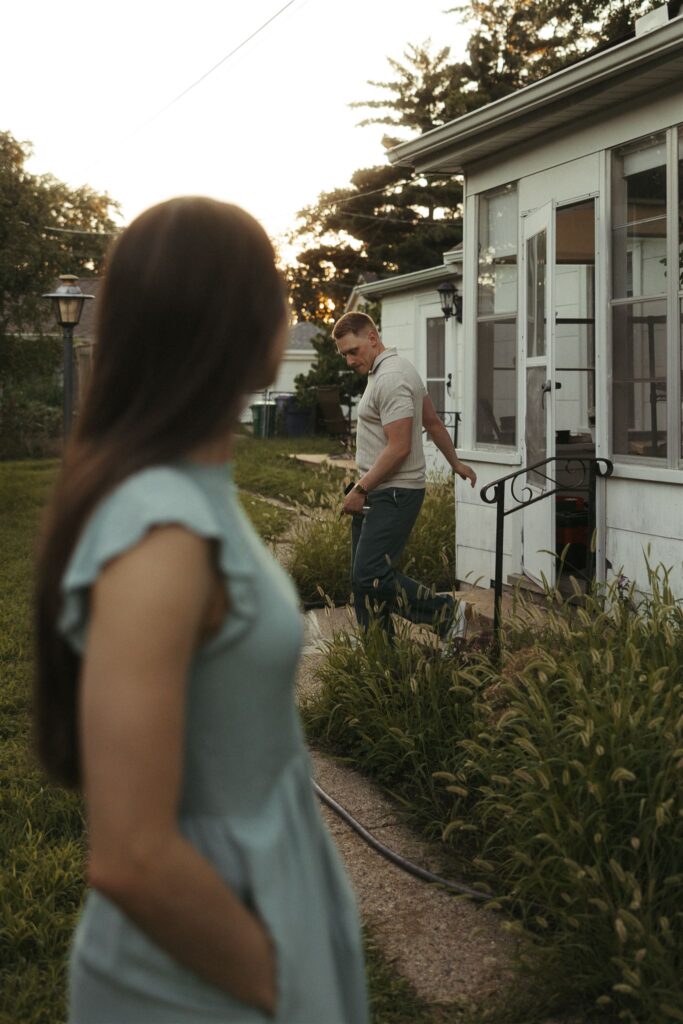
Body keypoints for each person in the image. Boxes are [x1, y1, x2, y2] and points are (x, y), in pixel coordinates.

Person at [34, 197, 369, 1024]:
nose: (291, 309)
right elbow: (133, 857)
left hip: (251, 921)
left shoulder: (189, 494)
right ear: (236, 316)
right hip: (195, 977)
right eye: (278, 287)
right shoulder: (161, 529)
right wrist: (273, 979)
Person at [333, 311, 477, 639]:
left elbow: (398, 448)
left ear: (372, 338)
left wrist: (360, 487)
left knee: (371, 572)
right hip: (378, 491)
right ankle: (379, 655)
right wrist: (455, 463)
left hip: (393, 491)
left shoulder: (391, 377)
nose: (349, 361)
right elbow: (433, 422)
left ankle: (446, 615)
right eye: (344, 355)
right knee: (364, 580)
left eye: (353, 351)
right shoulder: (391, 371)